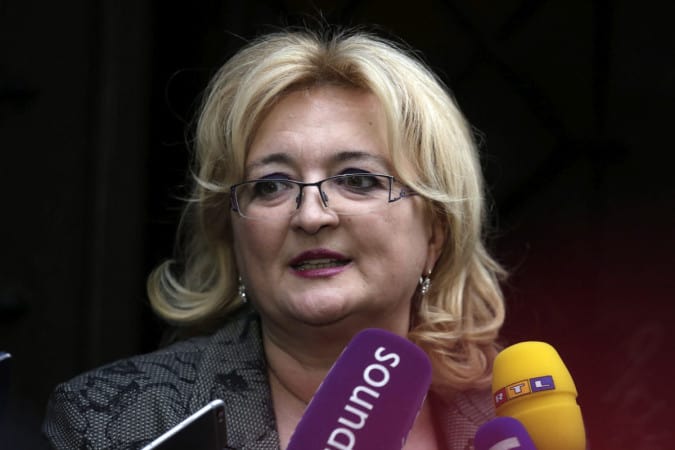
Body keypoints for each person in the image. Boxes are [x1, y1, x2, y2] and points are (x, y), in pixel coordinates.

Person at [42, 26, 506, 449]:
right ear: (231, 234)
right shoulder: (104, 421)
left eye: (357, 180)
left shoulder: (509, 415)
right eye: (271, 186)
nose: (311, 216)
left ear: (436, 232)